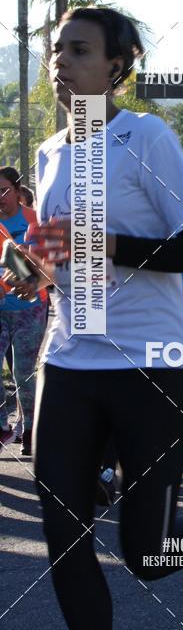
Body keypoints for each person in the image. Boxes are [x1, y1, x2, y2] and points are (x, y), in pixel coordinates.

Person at [13, 7, 183, 630]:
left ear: (117, 68)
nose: (61, 61)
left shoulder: (144, 138)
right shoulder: (50, 152)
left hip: (152, 361)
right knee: (63, 534)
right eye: (56, 50)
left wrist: (105, 243)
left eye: (80, 50)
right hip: (68, 357)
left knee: (148, 555)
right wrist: (29, 268)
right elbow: (60, 247)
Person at [0, 166, 48, 456]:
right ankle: (2, 424)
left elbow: (46, 263)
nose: (0, 197)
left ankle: (30, 428)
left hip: (31, 308)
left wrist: (25, 272)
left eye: (4, 191)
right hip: (1, 307)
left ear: (18, 191)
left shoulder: (34, 219)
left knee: (22, 372)